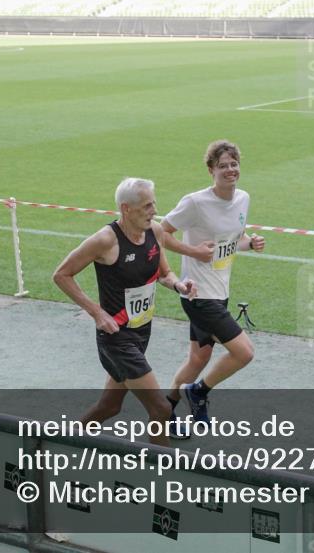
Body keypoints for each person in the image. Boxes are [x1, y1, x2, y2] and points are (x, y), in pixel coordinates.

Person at [53, 177, 201, 446]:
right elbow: (62, 275)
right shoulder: (105, 240)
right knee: (161, 409)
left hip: (141, 333)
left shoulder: (154, 232)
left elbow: (162, 272)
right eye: (146, 206)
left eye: (153, 203)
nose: (154, 210)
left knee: (109, 407)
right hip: (116, 339)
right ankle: (160, 478)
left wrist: (179, 284)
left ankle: (59, 440)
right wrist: (97, 313)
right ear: (126, 209)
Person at [161, 140, 264, 438]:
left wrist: (250, 244)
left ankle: (163, 412)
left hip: (220, 292)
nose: (230, 170)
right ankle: (198, 391)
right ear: (211, 170)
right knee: (244, 353)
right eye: (223, 166)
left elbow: (232, 242)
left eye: (234, 164)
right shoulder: (195, 202)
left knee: (198, 358)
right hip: (198, 295)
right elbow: (160, 232)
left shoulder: (243, 198)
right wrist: (193, 252)